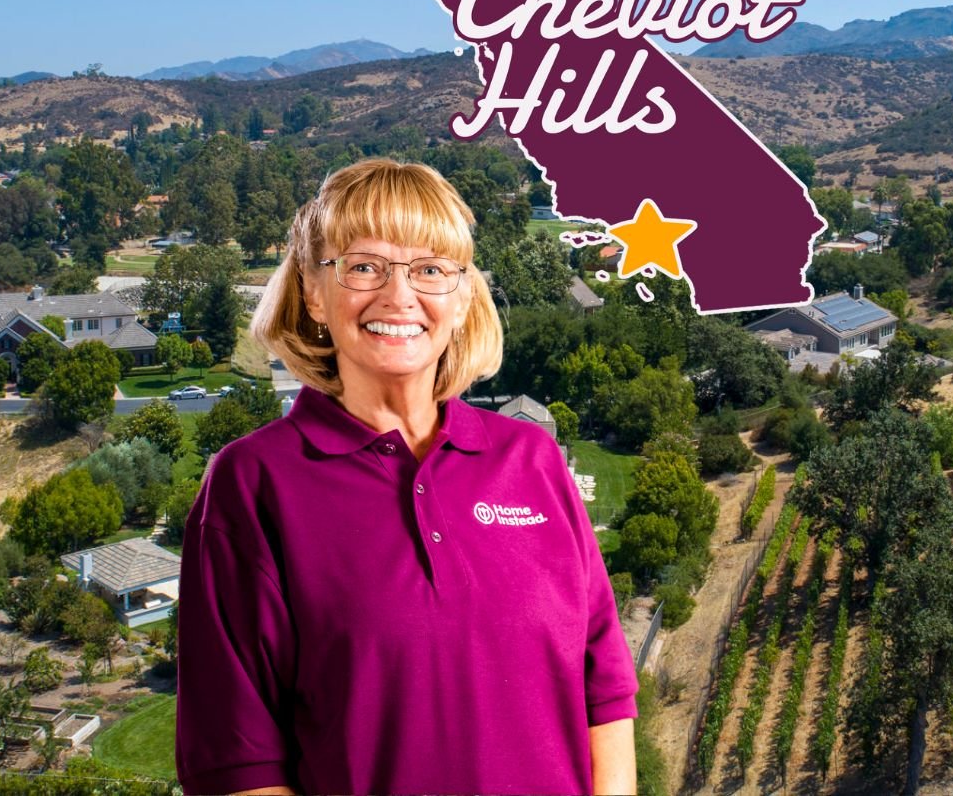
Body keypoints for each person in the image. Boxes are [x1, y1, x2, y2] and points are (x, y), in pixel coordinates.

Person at [175, 158, 637, 795]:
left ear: (462, 294)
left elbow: (605, 692)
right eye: (364, 266)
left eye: (429, 270)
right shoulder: (253, 484)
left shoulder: (531, 459)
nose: (399, 297)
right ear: (314, 291)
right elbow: (236, 762)